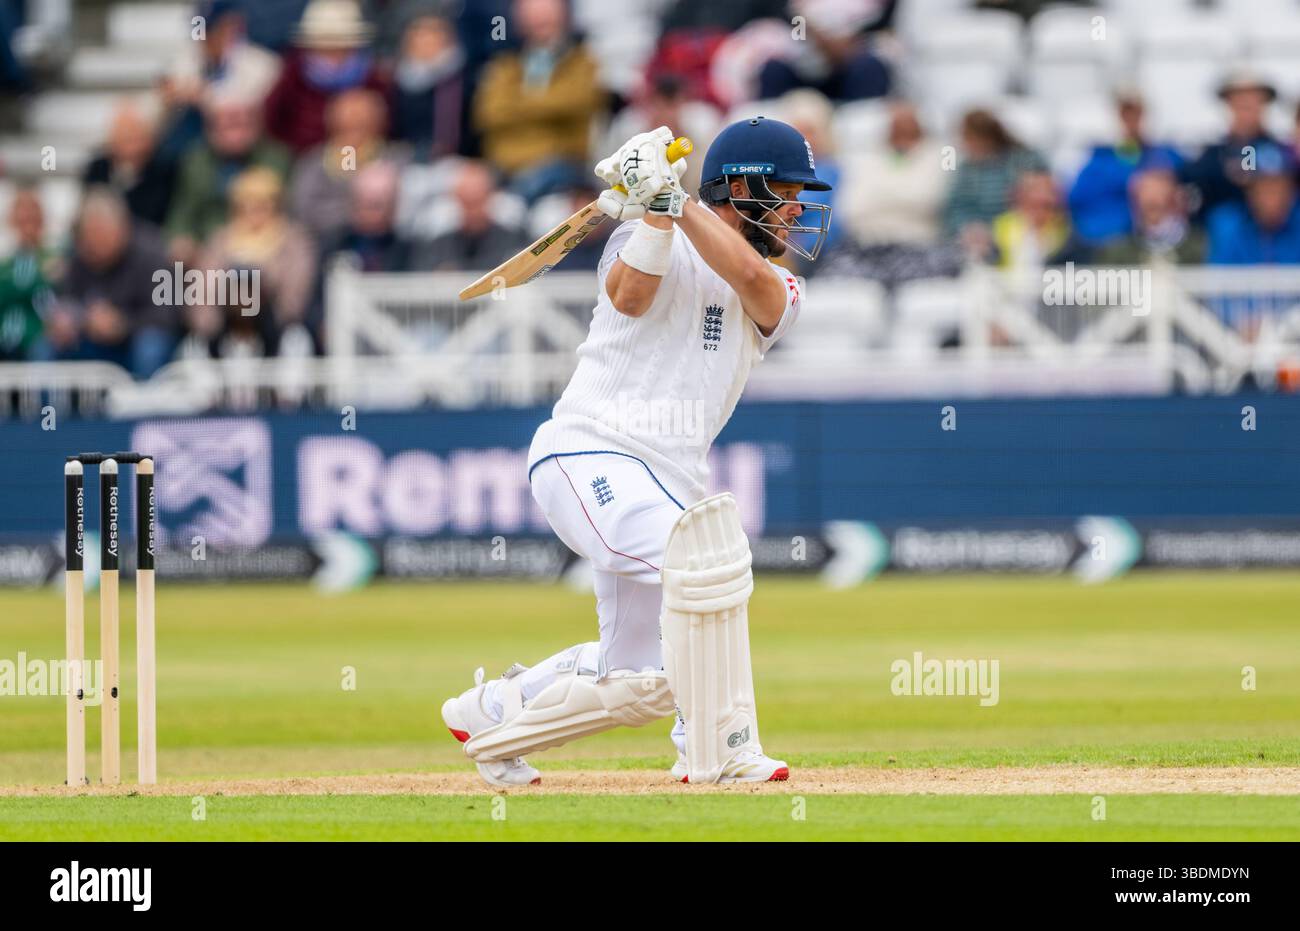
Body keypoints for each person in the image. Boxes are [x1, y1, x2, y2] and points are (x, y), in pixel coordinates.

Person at [440, 117, 832, 787]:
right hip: (589, 452)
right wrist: (655, 214)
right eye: (789, 193)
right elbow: (629, 294)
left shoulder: (780, 289)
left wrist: (669, 200)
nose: (798, 210)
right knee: (702, 562)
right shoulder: (640, 235)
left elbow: (745, 274)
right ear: (744, 189)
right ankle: (721, 747)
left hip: (668, 484)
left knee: (639, 682)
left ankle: (494, 712)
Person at [471, 0, 606, 203]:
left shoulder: (583, 62)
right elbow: (487, 113)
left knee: (526, 204)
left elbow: (576, 102)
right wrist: (545, 108)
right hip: (503, 171)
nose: (540, 22)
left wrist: (517, 105)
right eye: (533, 16)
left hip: (564, 174)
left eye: (546, 15)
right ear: (520, 21)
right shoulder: (505, 65)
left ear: (564, 17)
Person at [189, 167, 318, 357]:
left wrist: (262, 294)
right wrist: (210, 324)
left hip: (274, 325)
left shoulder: (294, 241)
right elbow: (203, 288)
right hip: (225, 325)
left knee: (294, 343)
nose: (253, 212)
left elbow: (297, 289)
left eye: (261, 204)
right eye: (246, 205)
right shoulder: (221, 240)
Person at [51, 191, 177, 378]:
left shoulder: (152, 253)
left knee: (150, 346)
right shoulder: (80, 256)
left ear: (123, 229)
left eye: (102, 235)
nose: (95, 244)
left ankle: (145, 405)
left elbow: (167, 316)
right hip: (91, 339)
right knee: (47, 347)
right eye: (90, 237)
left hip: (137, 340)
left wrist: (121, 324)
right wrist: (70, 319)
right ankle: (49, 407)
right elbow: (67, 300)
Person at [165, 91, 294, 263]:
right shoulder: (195, 162)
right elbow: (183, 211)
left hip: (266, 246)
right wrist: (181, 239)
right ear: (210, 129)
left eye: (241, 123)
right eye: (227, 125)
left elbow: (288, 211)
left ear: (256, 124)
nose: (235, 133)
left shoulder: (277, 159)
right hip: (208, 247)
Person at [263, 0, 392, 154]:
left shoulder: (372, 78)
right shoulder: (293, 74)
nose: (332, 51)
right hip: (304, 158)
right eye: (325, 43)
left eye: (339, 44)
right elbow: (273, 122)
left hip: (358, 157)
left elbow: (390, 126)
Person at [1067, 90, 1183, 246]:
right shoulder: (1101, 159)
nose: (1131, 120)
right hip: (1115, 240)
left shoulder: (1165, 155)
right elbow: (1077, 197)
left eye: (1135, 113)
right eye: (1125, 114)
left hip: (1156, 237)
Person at [288, 87, 403, 242]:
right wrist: (355, 213)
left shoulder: (396, 158)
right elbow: (303, 208)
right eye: (347, 123)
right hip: (323, 243)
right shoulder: (313, 164)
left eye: (361, 123)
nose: (353, 126)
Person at [943, 108, 1048, 251]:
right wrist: (968, 227)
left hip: (1024, 230)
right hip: (979, 238)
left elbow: (1046, 195)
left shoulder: (1027, 159)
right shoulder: (966, 168)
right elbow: (955, 207)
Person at [1183, 71, 1283, 220]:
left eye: (1253, 100)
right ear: (1229, 105)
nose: (1247, 107)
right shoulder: (1213, 156)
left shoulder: (1281, 153)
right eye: (1240, 101)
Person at [407, 159, 525, 270]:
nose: (472, 210)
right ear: (457, 199)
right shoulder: (440, 247)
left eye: (477, 201)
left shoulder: (513, 242)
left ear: (490, 196)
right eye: (466, 202)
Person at [389, 8, 474, 157]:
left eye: (434, 32)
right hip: (407, 159)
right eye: (419, 33)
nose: (427, 39)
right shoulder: (396, 83)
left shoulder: (465, 79)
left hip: (456, 159)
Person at [82, 96, 178, 228]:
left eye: (135, 137)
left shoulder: (165, 171)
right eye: (124, 137)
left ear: (149, 139)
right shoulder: (97, 170)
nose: (131, 149)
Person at [1092, 168, 1203, 266]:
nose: (1152, 199)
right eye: (1146, 193)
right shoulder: (1117, 250)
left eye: (1159, 193)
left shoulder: (1196, 246)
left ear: (1174, 198)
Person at [0, 189, 57, 361]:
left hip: (40, 340)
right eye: (22, 221)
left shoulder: (56, 258)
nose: (27, 228)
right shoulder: (6, 263)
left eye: (32, 220)